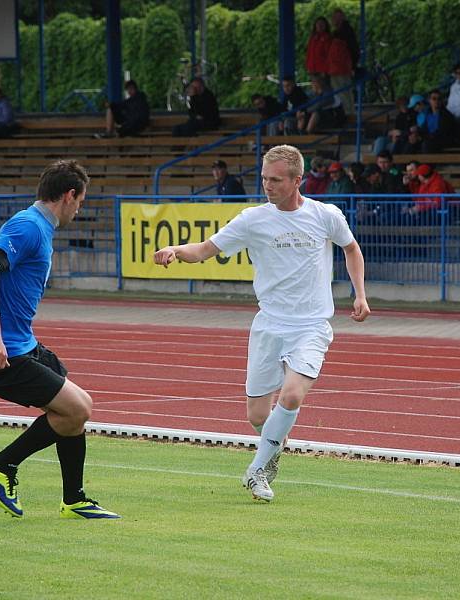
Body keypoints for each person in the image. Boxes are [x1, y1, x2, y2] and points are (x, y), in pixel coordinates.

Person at [153, 145, 370, 502]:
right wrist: (177, 250)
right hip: (269, 324)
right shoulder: (253, 219)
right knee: (257, 414)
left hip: (311, 325)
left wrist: (359, 294)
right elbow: (206, 249)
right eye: (264, 178)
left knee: (292, 394)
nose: (267, 185)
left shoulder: (326, 215)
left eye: (275, 179)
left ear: (297, 180)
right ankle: (271, 452)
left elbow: (351, 249)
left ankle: (257, 470)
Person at [0, 160, 120, 520]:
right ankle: (2, 465)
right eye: (81, 201)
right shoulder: (28, 226)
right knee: (76, 409)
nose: (79, 208)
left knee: (77, 408)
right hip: (3, 354)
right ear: (69, 195)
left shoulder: (38, 226)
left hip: (21, 344)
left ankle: (74, 500)